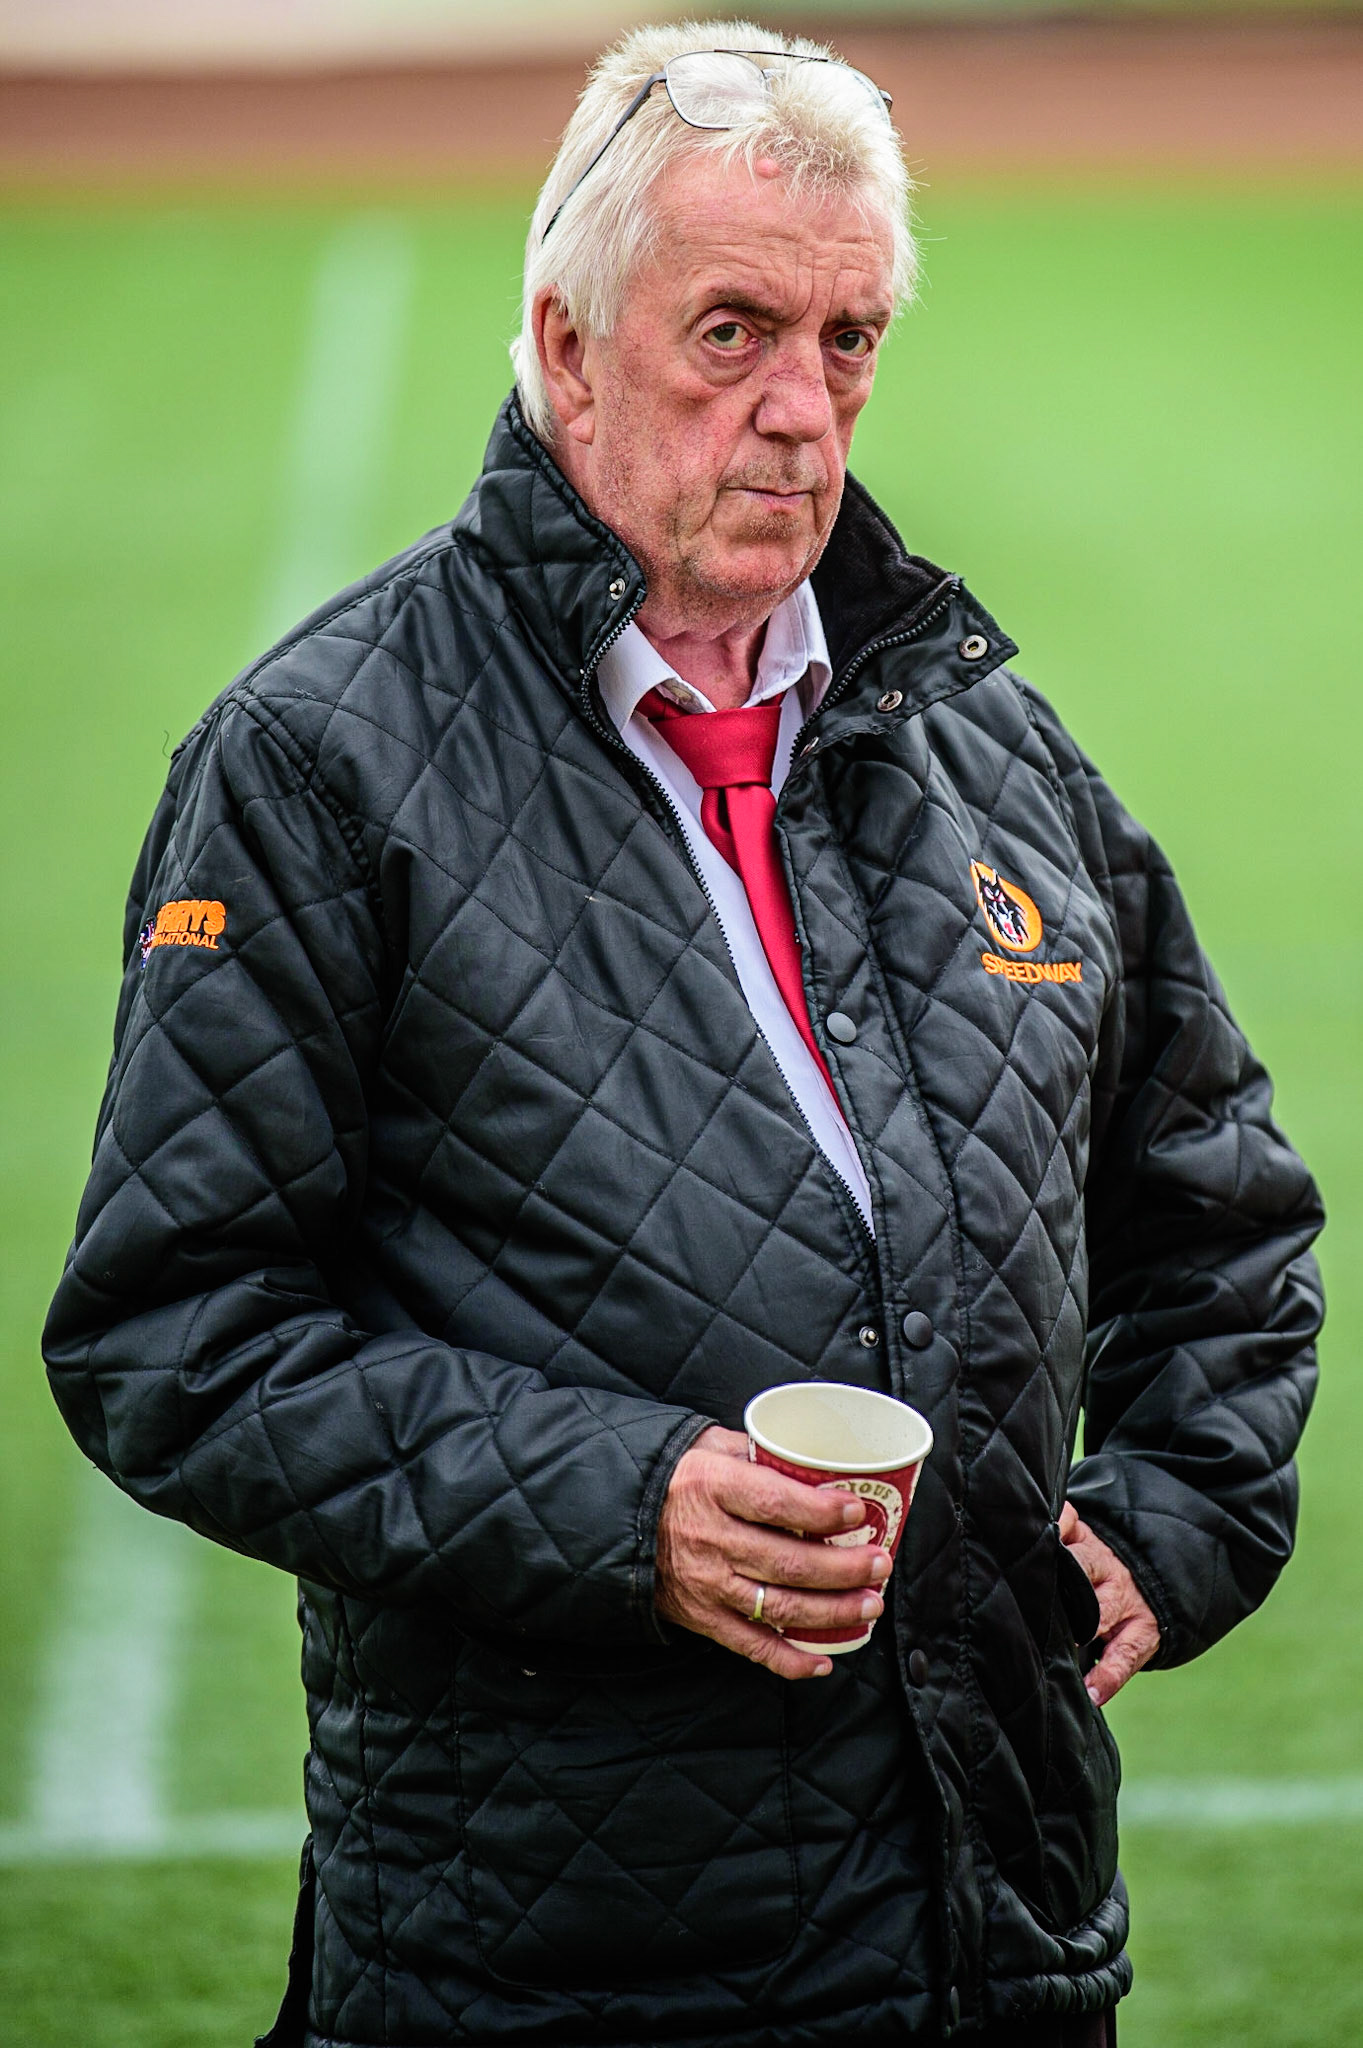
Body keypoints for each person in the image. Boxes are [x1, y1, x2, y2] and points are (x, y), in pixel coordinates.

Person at [43, 21, 1324, 2048]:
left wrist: (1178, 1510)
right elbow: (175, 1338)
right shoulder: (318, 764)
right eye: (729, 331)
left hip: (1003, 1936)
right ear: (564, 347)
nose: (802, 410)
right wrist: (625, 1507)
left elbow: (1223, 1205)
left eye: (848, 337)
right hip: (552, 1954)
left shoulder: (980, 740)